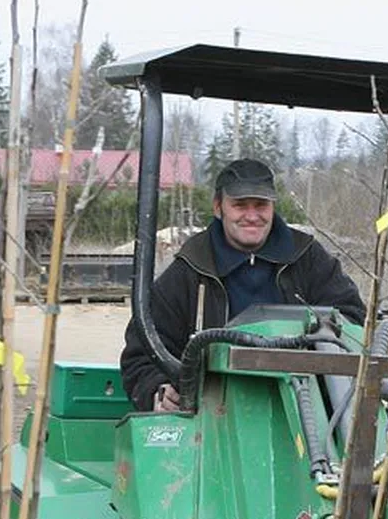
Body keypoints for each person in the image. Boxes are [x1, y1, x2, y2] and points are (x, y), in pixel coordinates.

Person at [119, 158, 366, 412]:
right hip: (214, 417)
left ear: (272, 206)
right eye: (239, 205)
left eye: (261, 205)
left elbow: (351, 322)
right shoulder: (190, 269)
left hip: (306, 413)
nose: (252, 216)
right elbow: (141, 354)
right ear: (218, 207)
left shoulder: (309, 259)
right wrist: (158, 391)